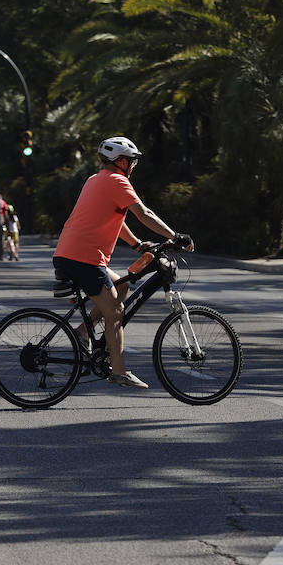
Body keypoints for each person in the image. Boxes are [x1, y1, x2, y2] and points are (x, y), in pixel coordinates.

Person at [53, 136, 192, 390]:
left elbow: (115, 219)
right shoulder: (118, 181)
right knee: (115, 311)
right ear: (122, 161)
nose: (134, 167)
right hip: (85, 258)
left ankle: (83, 332)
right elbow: (144, 214)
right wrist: (175, 236)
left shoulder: (95, 180)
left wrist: (138, 244)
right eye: (132, 161)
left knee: (123, 286)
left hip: (70, 254)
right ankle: (119, 371)